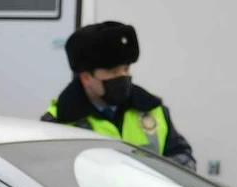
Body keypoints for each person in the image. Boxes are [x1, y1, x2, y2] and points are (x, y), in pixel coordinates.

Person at [42, 20, 196, 169]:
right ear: (86, 78)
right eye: (112, 71)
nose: (122, 77)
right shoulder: (59, 121)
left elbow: (183, 159)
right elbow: (50, 172)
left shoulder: (152, 110)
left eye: (126, 69)